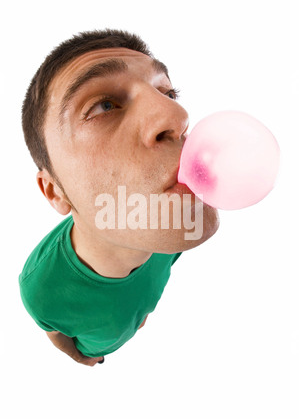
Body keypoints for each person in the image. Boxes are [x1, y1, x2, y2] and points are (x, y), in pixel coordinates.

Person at [19, 29, 219, 367]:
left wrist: (139, 315)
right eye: (105, 105)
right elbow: (55, 331)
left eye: (168, 91)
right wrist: (83, 356)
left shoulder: (171, 234)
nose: (178, 117)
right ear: (55, 190)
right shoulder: (41, 289)